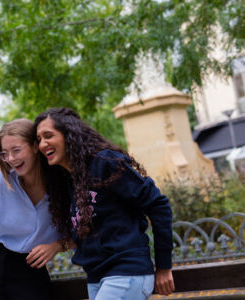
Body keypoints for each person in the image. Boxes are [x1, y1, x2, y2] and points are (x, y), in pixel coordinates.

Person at [34, 107, 175, 300]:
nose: (43, 144)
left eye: (48, 135)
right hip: (97, 278)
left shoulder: (106, 163)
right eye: (39, 139)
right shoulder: (69, 181)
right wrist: (58, 245)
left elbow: (158, 205)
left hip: (127, 272)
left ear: (70, 134)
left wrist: (164, 266)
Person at [0, 118, 65, 300]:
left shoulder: (61, 182)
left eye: (16, 150)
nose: (11, 159)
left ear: (34, 146)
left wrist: (57, 245)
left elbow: (81, 228)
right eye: (4, 154)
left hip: (31, 269)